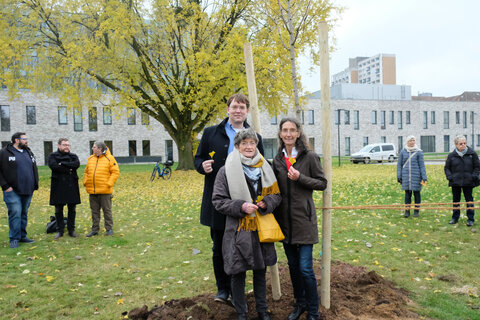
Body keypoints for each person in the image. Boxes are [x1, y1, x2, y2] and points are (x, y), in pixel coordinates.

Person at [194, 93, 264, 303]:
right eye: (234, 106)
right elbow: (198, 158)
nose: (238, 110)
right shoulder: (210, 133)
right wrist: (201, 166)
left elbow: (262, 164)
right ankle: (223, 289)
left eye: (242, 107)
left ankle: (238, 290)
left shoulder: (254, 136)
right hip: (219, 201)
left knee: (241, 245)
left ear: (247, 111)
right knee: (219, 247)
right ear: (228, 109)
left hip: (245, 202)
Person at [212, 128, 281, 320]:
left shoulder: (265, 166)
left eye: (252, 143)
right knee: (238, 273)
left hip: (261, 229)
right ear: (237, 146)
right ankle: (241, 313)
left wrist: (267, 203)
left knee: (260, 271)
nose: (249, 147)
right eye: (244, 143)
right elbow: (218, 200)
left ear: (256, 145)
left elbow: (276, 195)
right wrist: (241, 206)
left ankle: (262, 311)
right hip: (238, 231)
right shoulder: (225, 170)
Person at [272, 117, 327, 320]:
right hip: (284, 223)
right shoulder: (277, 160)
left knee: (305, 268)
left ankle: (313, 311)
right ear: (280, 133)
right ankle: (300, 304)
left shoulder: (309, 157)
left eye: (292, 130)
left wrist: (300, 178)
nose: (288, 134)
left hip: (304, 221)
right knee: (294, 268)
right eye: (284, 130)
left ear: (298, 133)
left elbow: (322, 183)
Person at [0, 132, 39, 249]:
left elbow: (34, 168)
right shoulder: (4, 153)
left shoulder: (28, 152)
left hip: (28, 189)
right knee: (15, 213)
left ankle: (22, 236)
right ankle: (14, 238)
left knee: (23, 213)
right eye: (24, 139)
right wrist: (5, 186)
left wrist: (35, 184)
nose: (27, 141)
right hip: (12, 190)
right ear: (17, 140)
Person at [83, 141, 120, 237]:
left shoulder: (110, 158)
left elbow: (115, 172)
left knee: (107, 210)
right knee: (94, 211)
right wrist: (86, 182)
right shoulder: (90, 159)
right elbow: (86, 172)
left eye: (94, 147)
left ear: (100, 149)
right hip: (92, 190)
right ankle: (95, 230)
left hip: (105, 191)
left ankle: (109, 229)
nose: (92, 148)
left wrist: (109, 183)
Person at [48, 138, 81, 239]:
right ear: (59, 146)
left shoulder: (73, 156)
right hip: (58, 186)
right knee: (58, 209)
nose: (67, 147)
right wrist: (68, 168)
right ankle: (60, 230)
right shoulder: (52, 156)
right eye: (64, 145)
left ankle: (71, 230)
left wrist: (62, 164)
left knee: (72, 209)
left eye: (68, 145)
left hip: (71, 185)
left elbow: (76, 164)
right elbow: (54, 166)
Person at [444, 135, 480, 226]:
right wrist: (450, 177)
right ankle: (455, 218)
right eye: (460, 144)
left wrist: (473, 176)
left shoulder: (472, 154)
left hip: (468, 182)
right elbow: (447, 168)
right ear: (456, 145)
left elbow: (477, 167)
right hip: (455, 182)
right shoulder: (451, 156)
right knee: (456, 200)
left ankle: (470, 219)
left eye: (464, 143)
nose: (463, 145)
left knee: (469, 200)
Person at [396, 135, 427, 218]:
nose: (412, 142)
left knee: (417, 194)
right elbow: (399, 165)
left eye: (413, 140)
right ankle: (407, 211)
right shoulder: (403, 152)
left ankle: (416, 211)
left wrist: (424, 177)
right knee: (407, 195)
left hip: (416, 177)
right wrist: (399, 176)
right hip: (406, 177)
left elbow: (422, 165)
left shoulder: (419, 152)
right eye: (410, 140)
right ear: (407, 142)